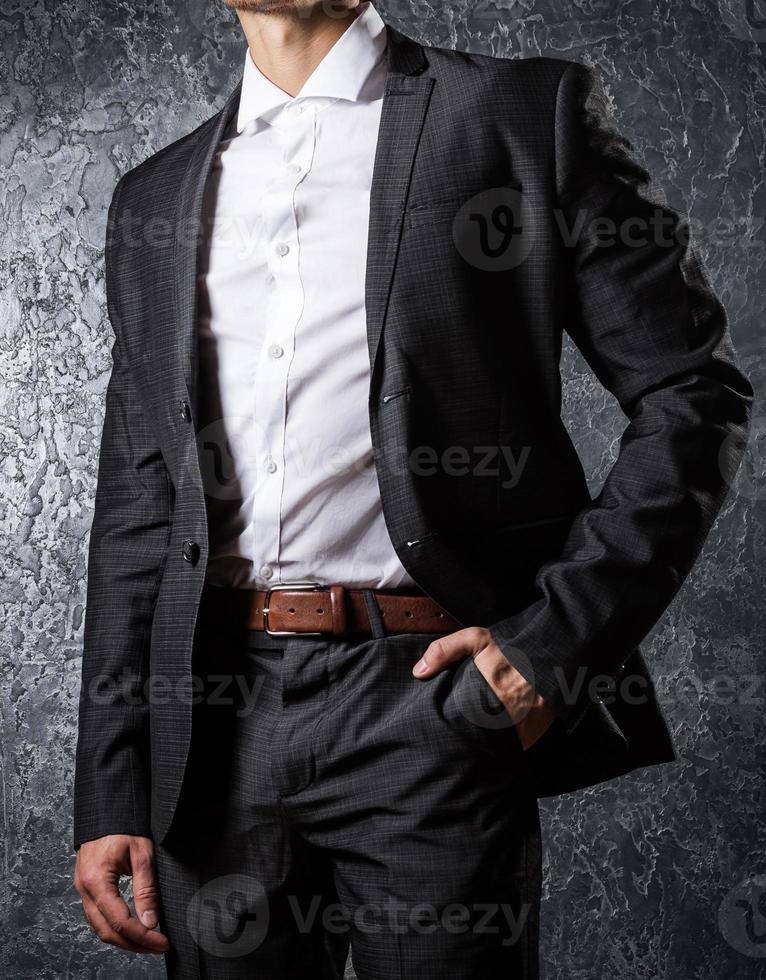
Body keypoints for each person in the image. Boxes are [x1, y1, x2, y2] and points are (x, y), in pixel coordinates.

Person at [71, 2, 753, 976]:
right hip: (210, 722)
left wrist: (547, 646)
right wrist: (114, 783)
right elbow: (140, 503)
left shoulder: (521, 114)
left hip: (428, 701)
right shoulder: (156, 196)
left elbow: (692, 390)